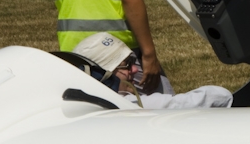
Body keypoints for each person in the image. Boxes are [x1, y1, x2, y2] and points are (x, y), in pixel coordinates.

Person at [72, 32, 232, 109]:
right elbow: (220, 97)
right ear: (103, 75)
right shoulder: (137, 106)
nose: (134, 69)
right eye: (126, 65)